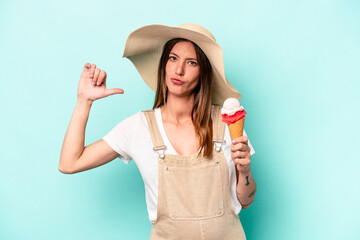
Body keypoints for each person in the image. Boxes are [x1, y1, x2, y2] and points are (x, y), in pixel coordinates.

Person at [59, 23, 256, 239]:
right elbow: (70, 163)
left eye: (191, 62)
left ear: (204, 73)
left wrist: (244, 169)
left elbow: (246, 201)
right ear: (163, 64)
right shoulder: (138, 127)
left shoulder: (227, 122)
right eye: (173, 58)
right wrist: (84, 101)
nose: (178, 70)